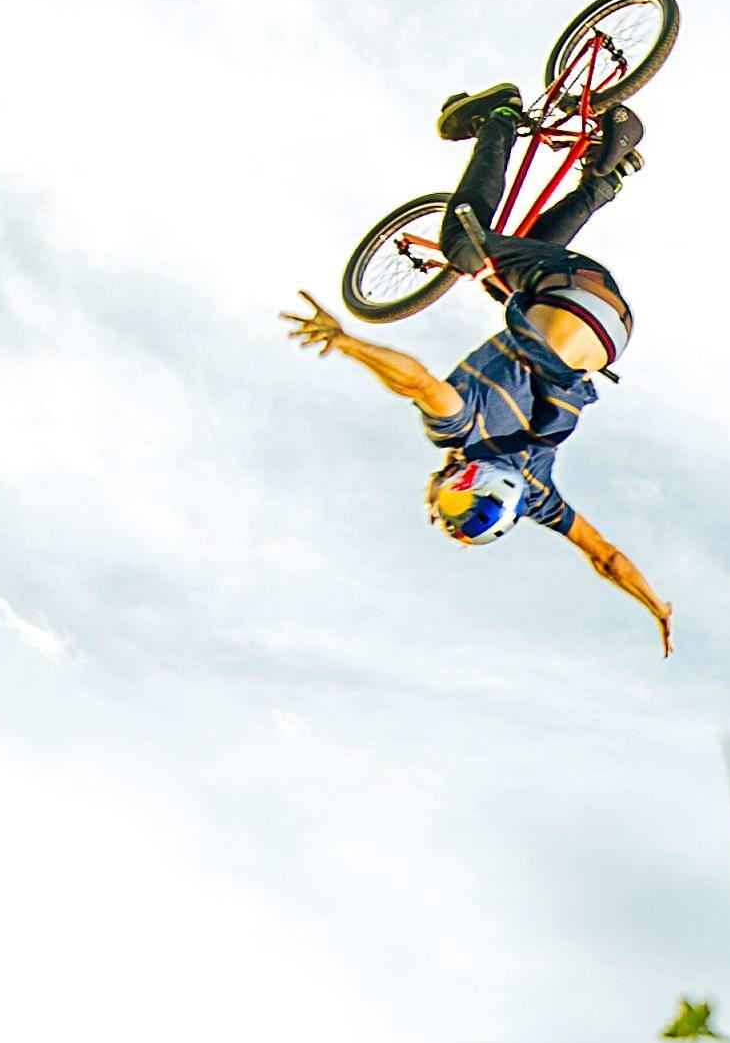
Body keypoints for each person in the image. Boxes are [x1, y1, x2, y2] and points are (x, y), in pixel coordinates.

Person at [280, 81, 670, 649]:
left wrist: (655, 606)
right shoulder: (459, 431)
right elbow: (414, 381)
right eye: (450, 495)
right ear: (465, 483)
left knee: (508, 268)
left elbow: (605, 556)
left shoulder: (537, 494)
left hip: (610, 328)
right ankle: (499, 119)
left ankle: (605, 176)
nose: (440, 486)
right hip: (566, 296)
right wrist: (344, 342)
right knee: (467, 248)